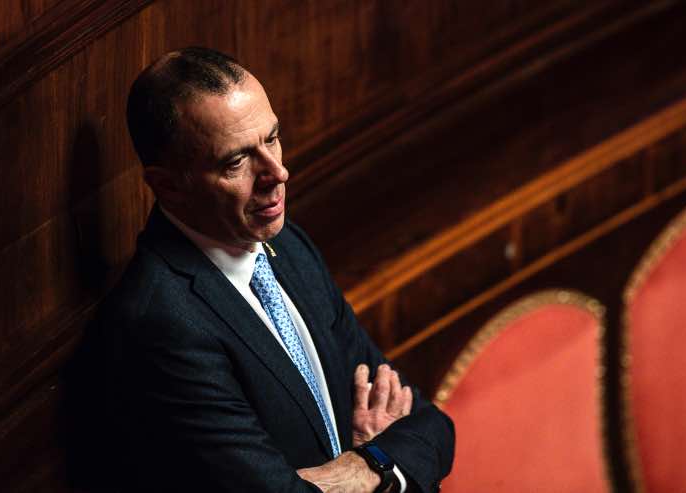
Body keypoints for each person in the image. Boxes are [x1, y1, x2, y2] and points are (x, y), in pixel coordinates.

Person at [98, 46, 454, 493]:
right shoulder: (160, 321)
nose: (277, 173)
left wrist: (367, 466)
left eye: (272, 139)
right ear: (168, 185)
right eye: (236, 161)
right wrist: (382, 461)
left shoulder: (287, 246)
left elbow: (432, 426)